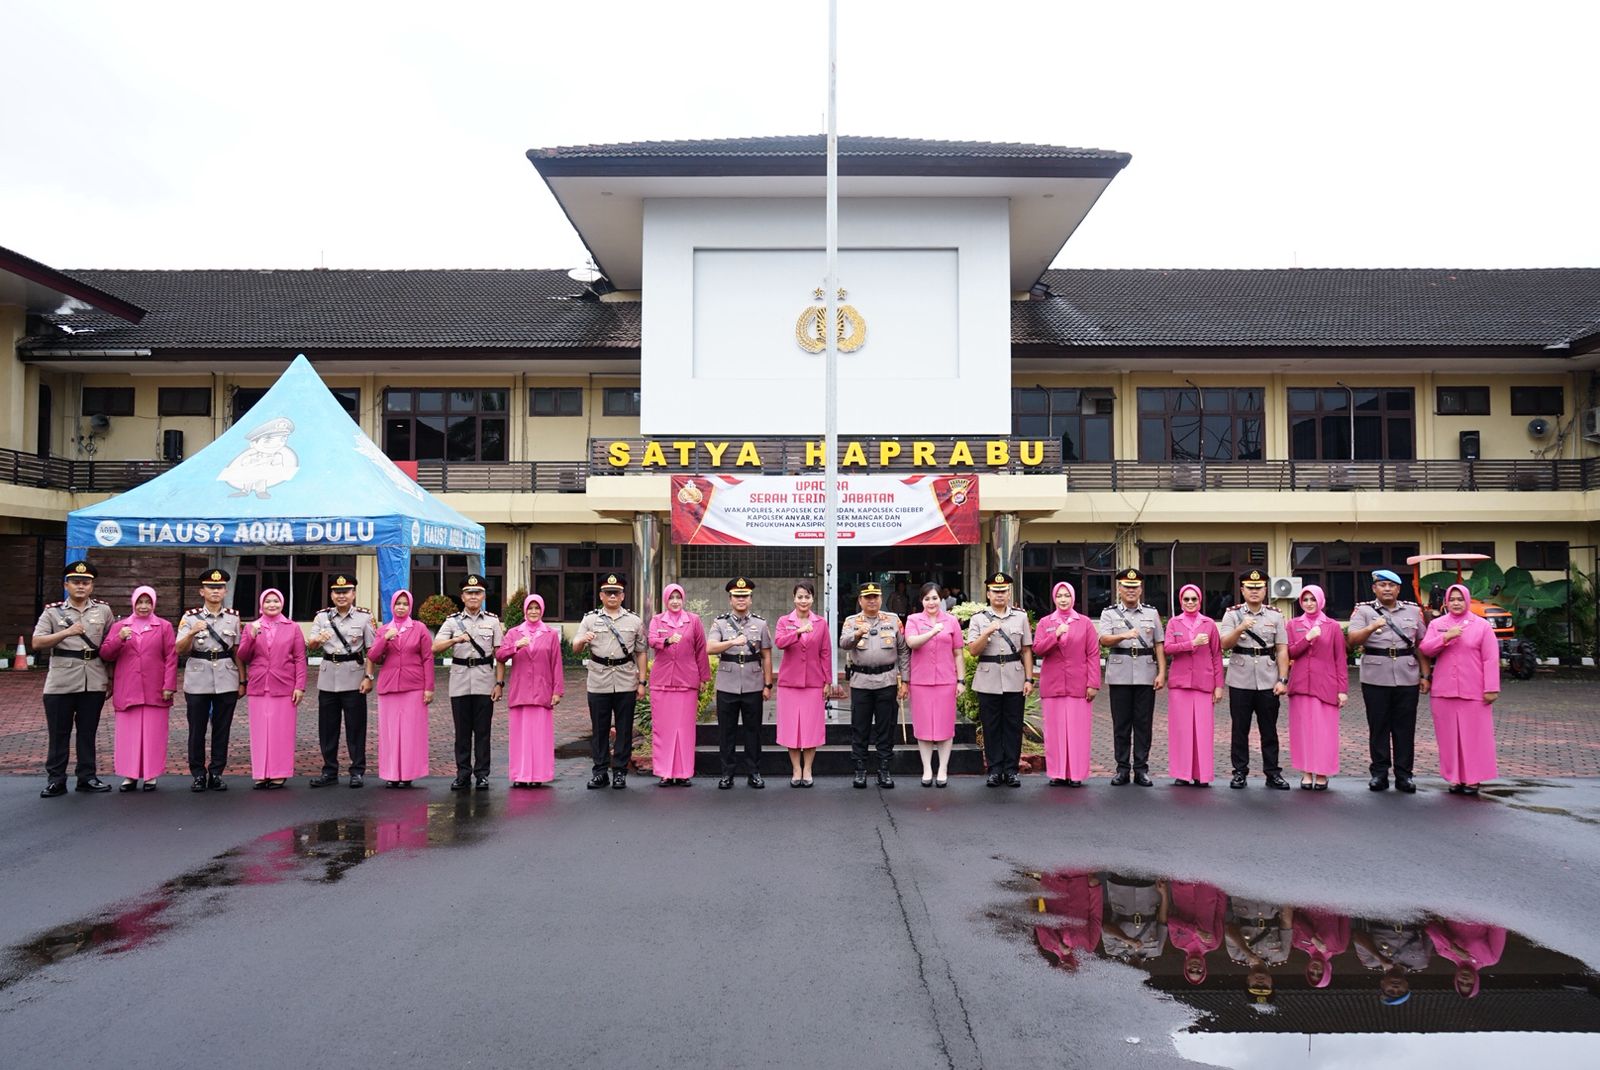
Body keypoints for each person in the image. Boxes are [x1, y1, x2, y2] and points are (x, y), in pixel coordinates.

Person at [32, 560, 116, 797]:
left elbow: (110, 645)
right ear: (66, 585)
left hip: (94, 678)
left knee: (88, 733)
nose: (81, 586)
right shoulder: (52, 612)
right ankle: (56, 780)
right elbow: (37, 642)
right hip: (61, 681)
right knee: (59, 733)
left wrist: (111, 678)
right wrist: (66, 632)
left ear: (92, 586)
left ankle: (87, 777)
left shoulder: (103, 611)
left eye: (86, 583)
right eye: (76, 582)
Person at [1346, 568, 1431, 793]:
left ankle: (1404, 775)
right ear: (1374, 588)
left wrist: (1425, 675)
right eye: (1382, 585)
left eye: (1391, 585)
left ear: (1398, 589)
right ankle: (1379, 774)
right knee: (1379, 727)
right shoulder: (1364, 611)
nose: (1387, 589)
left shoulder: (1413, 611)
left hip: (1407, 676)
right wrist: (1371, 627)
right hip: (1375, 677)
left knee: (1405, 729)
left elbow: (1421, 645)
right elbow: (1352, 640)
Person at [1418, 583, 1501, 795]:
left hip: (1474, 691)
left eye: (1460, 599)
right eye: (1452, 599)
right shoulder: (1437, 624)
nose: (1456, 603)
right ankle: (1454, 778)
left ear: (1467, 600)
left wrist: (1491, 688)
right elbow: (1425, 649)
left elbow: (1491, 659)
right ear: (1446, 602)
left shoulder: (1481, 626)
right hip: (1443, 691)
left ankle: (1472, 779)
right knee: (1448, 738)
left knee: (1474, 737)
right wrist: (1445, 637)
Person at [99, 586, 178, 791]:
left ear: (154, 604)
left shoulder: (164, 626)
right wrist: (119, 638)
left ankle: (151, 775)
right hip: (128, 688)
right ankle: (130, 775)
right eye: (140, 602)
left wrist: (169, 685)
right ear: (133, 603)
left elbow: (171, 657)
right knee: (128, 735)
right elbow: (106, 653)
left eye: (148, 602)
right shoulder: (120, 626)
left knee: (154, 733)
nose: (144, 606)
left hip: (155, 687)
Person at [432, 575, 506, 791]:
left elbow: (500, 655)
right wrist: (455, 639)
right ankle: (463, 774)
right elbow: (434, 648)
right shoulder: (452, 621)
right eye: (469, 593)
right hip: (460, 681)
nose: (473, 596)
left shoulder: (492, 621)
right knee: (462, 733)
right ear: (462, 597)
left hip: (484, 680)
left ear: (483, 596)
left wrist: (499, 683)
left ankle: (482, 774)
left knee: (483, 732)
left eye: (478, 593)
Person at [1219, 568, 1291, 790]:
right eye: (1250, 588)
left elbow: (1282, 649)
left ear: (1265, 590)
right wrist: (1240, 627)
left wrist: (1283, 679)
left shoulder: (1275, 615)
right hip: (1240, 679)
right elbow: (1224, 644)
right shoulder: (1232, 615)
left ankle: (1273, 773)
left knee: (1269, 729)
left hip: (1268, 679)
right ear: (1242, 590)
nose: (1254, 591)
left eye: (1258, 588)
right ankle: (1240, 772)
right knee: (1240, 729)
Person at [573, 574, 646, 790]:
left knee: (624, 728)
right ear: (601, 596)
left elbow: (641, 652)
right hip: (599, 680)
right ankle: (600, 772)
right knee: (600, 729)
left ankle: (620, 772)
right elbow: (576, 647)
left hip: (625, 679)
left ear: (623, 596)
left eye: (616, 593)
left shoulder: (634, 621)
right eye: (608, 593)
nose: (612, 596)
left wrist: (642, 682)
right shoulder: (590, 619)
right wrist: (582, 640)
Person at [175, 568, 243, 792]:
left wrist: (242, 681)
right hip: (198, 678)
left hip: (226, 677)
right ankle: (198, 774)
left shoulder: (233, 617)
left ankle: (216, 773)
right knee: (197, 729)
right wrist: (191, 632)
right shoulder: (190, 617)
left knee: (222, 729)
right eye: (211, 587)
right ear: (201, 591)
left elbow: (237, 651)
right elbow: (179, 649)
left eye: (220, 587)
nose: (215, 591)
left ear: (225, 591)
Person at [305, 574, 375, 789]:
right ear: (331, 594)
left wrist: (369, 676)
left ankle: (357, 771)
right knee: (327, 728)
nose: (341, 595)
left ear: (353, 594)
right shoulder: (321, 617)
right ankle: (329, 771)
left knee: (356, 728)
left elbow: (371, 650)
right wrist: (318, 640)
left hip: (354, 677)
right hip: (328, 678)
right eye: (337, 592)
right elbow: (311, 644)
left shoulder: (364, 617)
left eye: (346, 592)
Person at [1097, 567, 1166, 787]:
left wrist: (1162, 672)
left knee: (1143, 725)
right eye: (1126, 586)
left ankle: (1141, 769)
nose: (1131, 590)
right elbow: (1103, 639)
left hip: (1146, 673)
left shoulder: (1151, 613)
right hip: (1120, 674)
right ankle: (1122, 769)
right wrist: (1124, 635)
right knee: (1121, 725)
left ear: (1140, 589)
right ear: (1119, 588)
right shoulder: (1109, 613)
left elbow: (1159, 644)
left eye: (1134, 587)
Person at [838, 582, 909, 789]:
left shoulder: (893, 620)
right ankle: (860, 770)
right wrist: (858, 634)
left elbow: (903, 651)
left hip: (887, 681)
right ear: (860, 600)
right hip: (861, 682)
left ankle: (884, 769)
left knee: (886, 727)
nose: (872, 601)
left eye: (875, 597)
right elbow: (844, 643)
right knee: (859, 727)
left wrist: (905, 681)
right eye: (867, 597)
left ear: (880, 598)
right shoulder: (852, 621)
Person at [967, 572, 1034, 787]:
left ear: (1009, 593)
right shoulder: (978, 618)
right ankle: (995, 769)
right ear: (988, 594)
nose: (999, 595)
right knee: (991, 726)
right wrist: (987, 632)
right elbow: (973, 651)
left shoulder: (1020, 617)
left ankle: (1011, 770)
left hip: (1015, 677)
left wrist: (1029, 679)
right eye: (995, 591)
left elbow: (1026, 650)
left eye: (1003, 591)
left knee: (1013, 726)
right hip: (988, 678)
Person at [705, 577, 772, 789]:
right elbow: (710, 647)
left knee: (753, 731)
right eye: (737, 596)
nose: (741, 600)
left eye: (745, 596)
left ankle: (754, 772)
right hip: (727, 684)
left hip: (753, 683)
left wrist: (768, 684)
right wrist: (733, 641)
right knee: (726, 732)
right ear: (730, 599)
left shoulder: (760, 624)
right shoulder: (720, 623)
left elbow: (766, 655)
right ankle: (727, 773)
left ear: (750, 599)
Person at [1031, 581, 1100, 787]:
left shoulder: (1084, 623)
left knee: (1078, 731)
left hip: (1078, 684)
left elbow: (1093, 654)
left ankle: (1076, 774)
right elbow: (1038, 649)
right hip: (1053, 684)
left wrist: (1093, 683)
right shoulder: (1045, 622)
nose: (1063, 599)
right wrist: (1055, 635)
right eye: (1059, 596)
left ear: (1073, 598)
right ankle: (1058, 773)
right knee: (1055, 732)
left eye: (1067, 595)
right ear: (1054, 598)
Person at [237, 588, 306, 789]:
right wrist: (251, 637)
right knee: (259, 733)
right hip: (259, 684)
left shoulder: (292, 627)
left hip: (284, 685)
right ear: (261, 604)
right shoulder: (251, 626)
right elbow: (243, 656)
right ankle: (261, 773)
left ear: (282, 603)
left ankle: (279, 773)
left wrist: (300, 686)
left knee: (281, 732)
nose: (272, 604)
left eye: (276, 600)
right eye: (268, 601)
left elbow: (300, 658)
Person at [368, 589, 434, 788]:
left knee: (410, 732)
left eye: (405, 604)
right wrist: (385, 639)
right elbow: (373, 656)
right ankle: (391, 774)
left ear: (410, 606)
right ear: (392, 606)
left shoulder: (419, 628)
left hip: (414, 686)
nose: (401, 607)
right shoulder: (384, 630)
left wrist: (429, 687)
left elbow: (428, 658)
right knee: (390, 733)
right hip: (389, 687)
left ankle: (408, 774)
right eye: (398, 603)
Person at [496, 593, 563, 788]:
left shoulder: (550, 634)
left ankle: (538, 775)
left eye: (537, 608)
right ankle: (520, 774)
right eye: (530, 608)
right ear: (525, 610)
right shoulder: (514, 633)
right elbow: (500, 655)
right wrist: (515, 646)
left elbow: (556, 663)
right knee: (520, 736)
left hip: (543, 691)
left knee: (540, 737)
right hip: (521, 692)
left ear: (542, 610)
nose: (533, 612)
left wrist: (557, 691)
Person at [1285, 585, 1347, 790]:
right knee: (1302, 731)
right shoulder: (1293, 625)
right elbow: (1290, 653)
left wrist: (1342, 690)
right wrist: (1307, 638)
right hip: (1300, 685)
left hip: (1326, 686)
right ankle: (1306, 772)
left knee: (1324, 733)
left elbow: (1340, 659)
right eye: (1305, 600)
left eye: (1313, 599)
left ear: (1321, 601)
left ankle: (1321, 773)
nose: (1309, 603)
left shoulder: (1332, 626)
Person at [648, 583, 709, 786]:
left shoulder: (694, 620)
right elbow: (651, 640)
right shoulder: (657, 620)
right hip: (662, 682)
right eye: (671, 598)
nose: (675, 601)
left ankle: (683, 773)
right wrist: (666, 640)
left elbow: (701, 649)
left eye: (678, 597)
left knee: (684, 729)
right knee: (663, 729)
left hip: (686, 681)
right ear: (666, 600)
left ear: (683, 599)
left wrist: (704, 678)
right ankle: (665, 772)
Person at [1164, 584, 1224, 787]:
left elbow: (1216, 655)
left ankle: (1201, 774)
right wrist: (1192, 643)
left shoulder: (1209, 624)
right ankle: (1182, 773)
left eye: (1194, 599)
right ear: (1180, 601)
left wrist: (1219, 685)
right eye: (1186, 599)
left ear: (1200, 601)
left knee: (1203, 731)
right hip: (1180, 684)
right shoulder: (1174, 622)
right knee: (1181, 730)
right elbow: (1168, 648)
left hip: (1203, 683)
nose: (1190, 602)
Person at [905, 581, 963, 787]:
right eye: (927, 598)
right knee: (923, 727)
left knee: (945, 727)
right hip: (920, 681)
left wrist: (961, 680)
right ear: (921, 600)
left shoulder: (951, 621)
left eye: (935, 598)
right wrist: (932, 632)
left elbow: (958, 653)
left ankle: (943, 769)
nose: (931, 602)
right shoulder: (913, 620)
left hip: (946, 680)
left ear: (941, 599)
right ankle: (927, 768)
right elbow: (912, 643)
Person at [774, 581, 830, 786]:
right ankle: (796, 769)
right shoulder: (784, 621)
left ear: (813, 599)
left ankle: (808, 769)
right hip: (789, 683)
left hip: (813, 682)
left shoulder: (821, 623)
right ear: (794, 598)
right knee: (792, 728)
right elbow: (779, 642)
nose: (803, 600)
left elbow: (825, 652)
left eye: (807, 596)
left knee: (810, 728)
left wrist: (827, 680)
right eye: (800, 597)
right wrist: (797, 632)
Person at [1353, 918, 1433, 1007]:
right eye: (1400, 991)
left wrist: (1379, 957)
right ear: (1407, 985)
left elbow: (1358, 935)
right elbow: (1430, 933)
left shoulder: (1370, 962)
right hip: (1412, 918)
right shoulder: (1421, 964)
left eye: (1390, 991)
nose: (1396, 988)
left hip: (1380, 917)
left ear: (1382, 984)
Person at [1226, 899, 1293, 1003]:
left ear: (1248, 980)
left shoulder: (1237, 955)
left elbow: (1229, 928)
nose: (1260, 983)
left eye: (1255, 986)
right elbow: (1286, 923)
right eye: (1265, 987)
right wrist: (1286, 897)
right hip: (1270, 898)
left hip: (1244, 896)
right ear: (1271, 983)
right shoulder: (1281, 956)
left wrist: (1247, 952)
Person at [1425, 917, 1506, 999]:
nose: (1465, 980)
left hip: (1454, 910)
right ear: (1476, 981)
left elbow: (1431, 927)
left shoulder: (1444, 952)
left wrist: (1453, 947)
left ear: (1455, 979)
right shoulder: (1491, 958)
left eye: (1461, 982)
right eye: (1469, 984)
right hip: (1481, 912)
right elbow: (1498, 925)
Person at [1168, 880, 1226, 985]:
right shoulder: (1213, 944)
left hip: (1182, 888)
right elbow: (1220, 913)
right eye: (1199, 972)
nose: (1195, 968)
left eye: (1191, 971)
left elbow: (1171, 922)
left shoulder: (1178, 943)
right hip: (1208, 889)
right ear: (1204, 968)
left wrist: (1195, 930)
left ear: (1185, 966)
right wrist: (1220, 886)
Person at [1101, 875, 1169, 964]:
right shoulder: (1156, 951)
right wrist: (1164, 894)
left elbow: (1105, 928)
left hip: (1121, 892)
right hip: (1148, 895)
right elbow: (1162, 921)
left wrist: (1126, 939)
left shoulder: (1112, 950)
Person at [1292, 906, 1351, 990]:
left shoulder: (1298, 943)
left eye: (1311, 973)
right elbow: (1345, 914)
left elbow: (1294, 917)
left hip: (1305, 900)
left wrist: (1313, 938)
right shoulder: (1340, 947)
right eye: (1320, 974)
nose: (1315, 970)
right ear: (1327, 971)